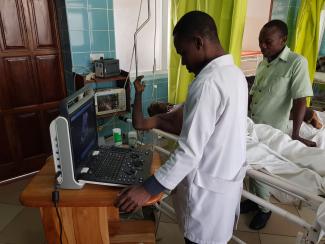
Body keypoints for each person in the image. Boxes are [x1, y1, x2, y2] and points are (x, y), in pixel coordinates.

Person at [114, 11, 248, 244]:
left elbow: (189, 151)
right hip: (223, 188)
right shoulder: (235, 75)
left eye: (183, 53)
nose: (184, 62)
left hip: (207, 197)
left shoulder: (207, 84)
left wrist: (149, 188)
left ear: (199, 42)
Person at [242, 19, 315, 230]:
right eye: (260, 42)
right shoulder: (264, 62)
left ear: (283, 40)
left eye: (267, 42)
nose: (262, 46)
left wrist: (296, 134)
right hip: (252, 124)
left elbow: (301, 99)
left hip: (272, 129)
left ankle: (265, 210)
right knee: (249, 167)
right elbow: (254, 93)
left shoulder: (296, 62)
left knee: (262, 171)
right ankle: (255, 201)